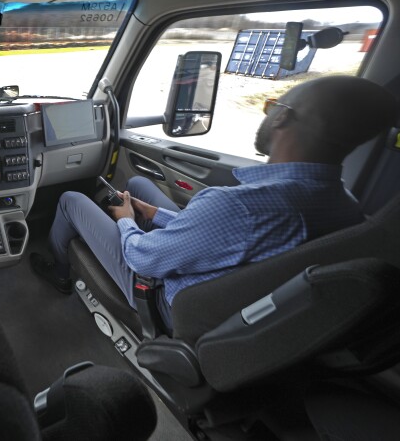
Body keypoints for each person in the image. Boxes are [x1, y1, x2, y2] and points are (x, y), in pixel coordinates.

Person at [31, 75, 399, 330]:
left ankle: (61, 274)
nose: (269, 112)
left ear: (283, 116)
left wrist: (127, 220)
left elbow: (143, 257)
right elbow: (226, 238)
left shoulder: (239, 207)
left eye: (272, 105)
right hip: (231, 291)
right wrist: (152, 214)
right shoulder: (345, 205)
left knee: (71, 199)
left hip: (166, 297)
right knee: (141, 183)